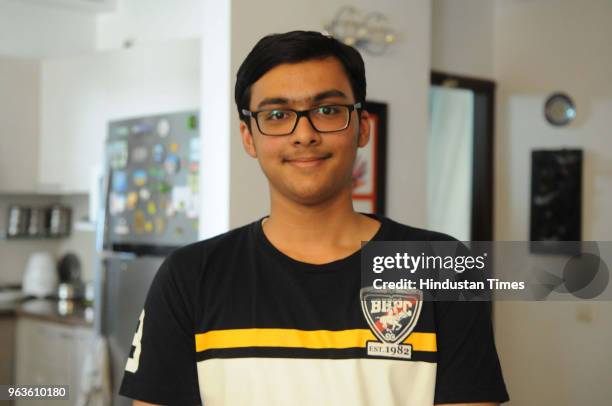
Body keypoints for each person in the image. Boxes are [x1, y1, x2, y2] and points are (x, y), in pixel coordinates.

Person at [119, 30, 509, 406]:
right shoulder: (191, 276)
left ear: (362, 128)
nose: (304, 134)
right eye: (276, 115)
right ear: (248, 137)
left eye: (327, 110)